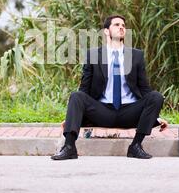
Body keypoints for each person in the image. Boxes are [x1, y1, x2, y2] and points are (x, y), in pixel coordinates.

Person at [51, 15, 168, 160]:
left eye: (123, 26)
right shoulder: (94, 54)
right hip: (102, 110)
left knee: (156, 96)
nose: (121, 28)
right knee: (76, 96)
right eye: (116, 25)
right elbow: (84, 89)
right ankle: (69, 147)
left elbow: (144, 89)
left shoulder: (136, 55)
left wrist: (155, 115)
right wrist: (74, 116)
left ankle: (136, 146)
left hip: (129, 111)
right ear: (106, 31)